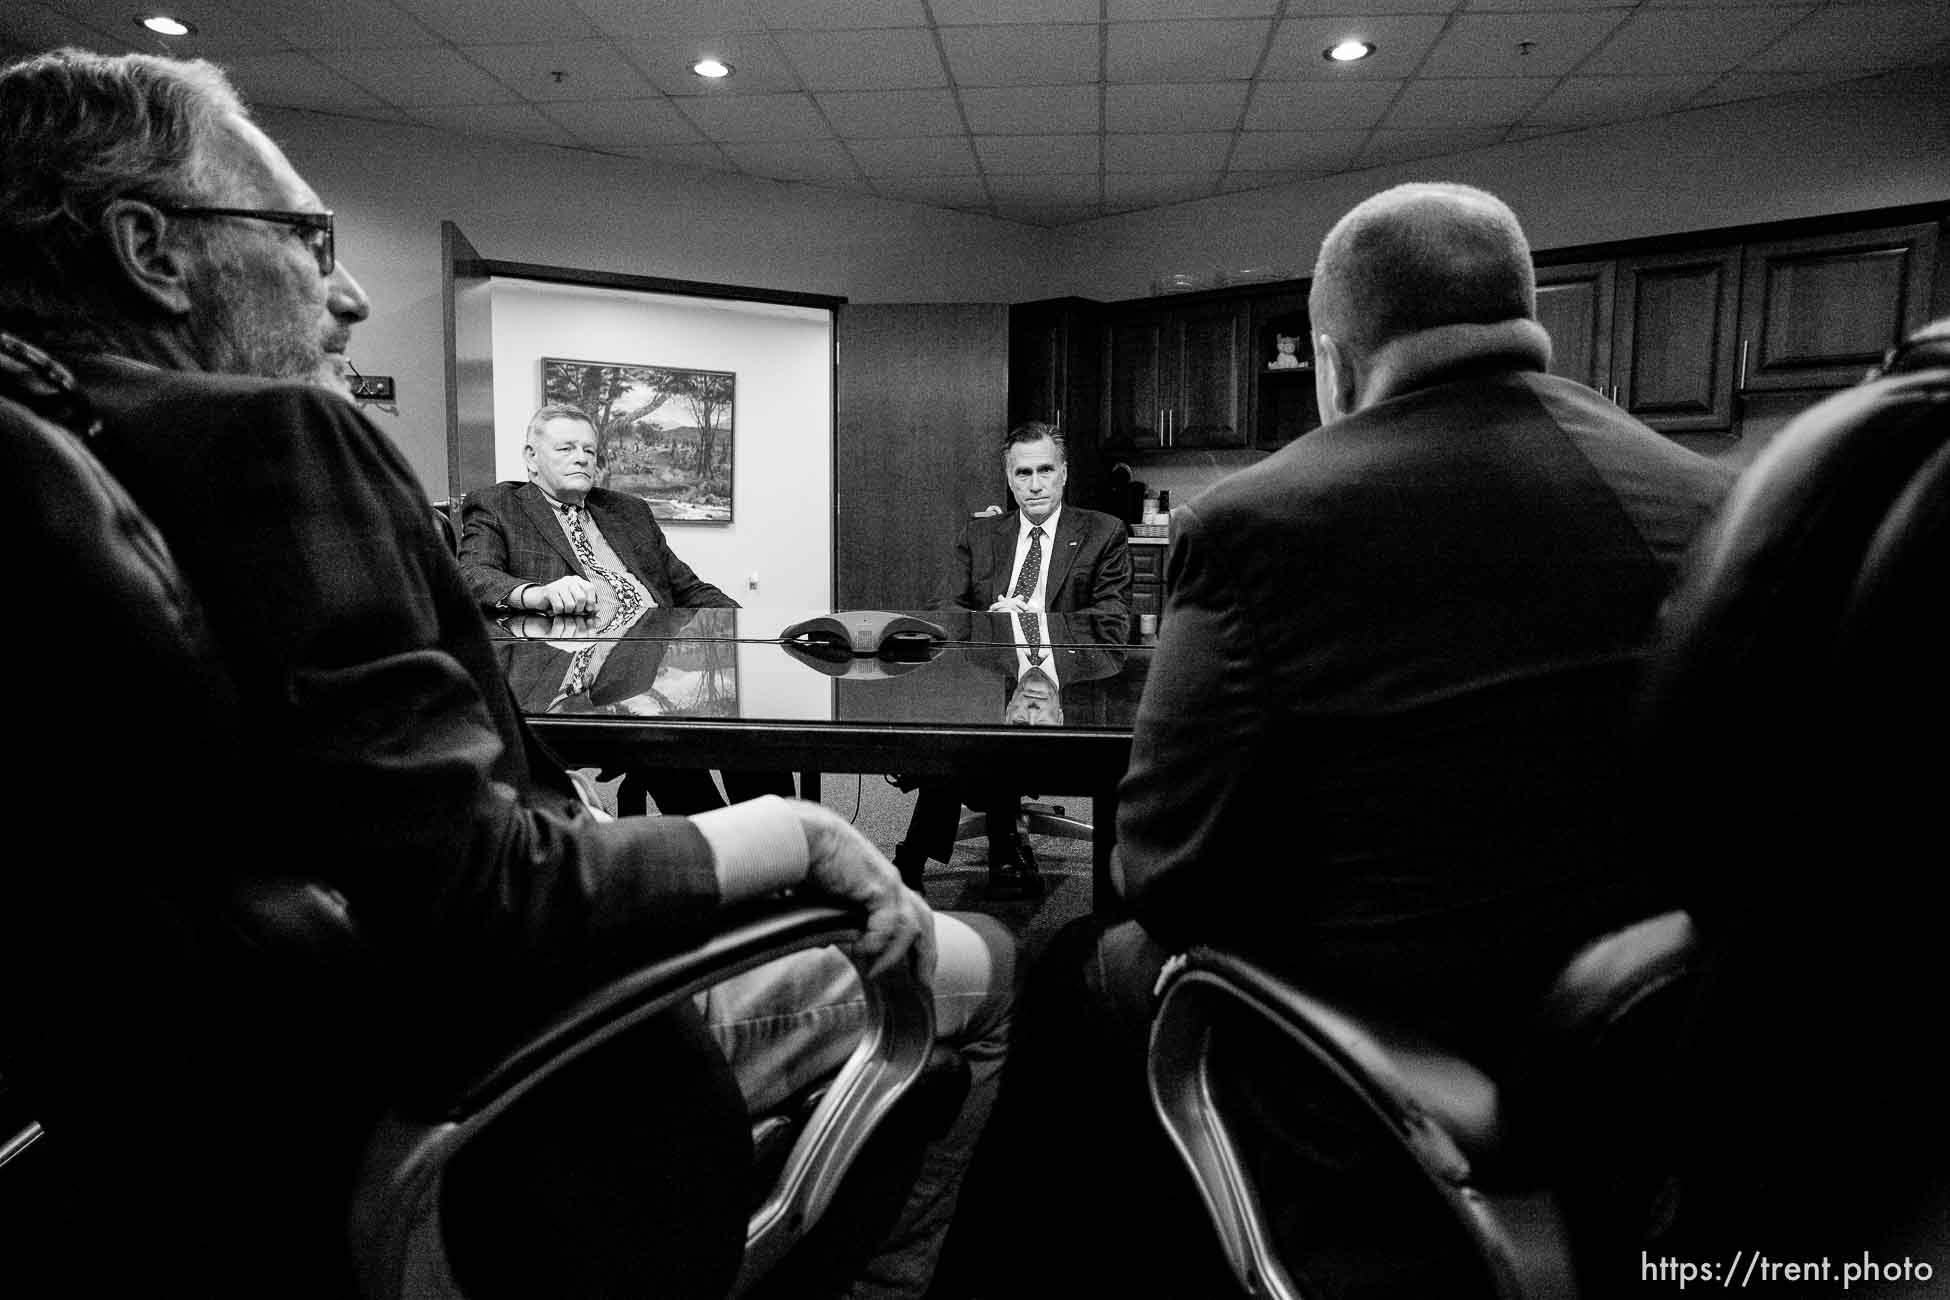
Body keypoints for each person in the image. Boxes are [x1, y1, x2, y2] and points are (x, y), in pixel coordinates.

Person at [0, 48, 1008, 1300]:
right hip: (515, 1058)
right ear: (152, 249)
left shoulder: (71, 468)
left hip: (224, 1117)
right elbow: (488, 892)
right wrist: (798, 829)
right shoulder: (270, 438)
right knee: (996, 968)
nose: (354, 291)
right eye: (309, 239)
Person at [942, 182, 1735, 1298]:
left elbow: (1166, 871)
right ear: (1527, 312)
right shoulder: (1712, 500)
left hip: (1365, 1058)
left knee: (1080, 960)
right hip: (1648, 1062)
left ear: (1330, 355)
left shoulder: (1263, 518)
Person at [458, 403, 795, 816]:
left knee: (751, 733)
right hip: (583, 675)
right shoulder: (498, 505)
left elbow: (688, 588)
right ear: (531, 457)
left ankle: (783, 838)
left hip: (661, 658)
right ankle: (720, 848)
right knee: (661, 742)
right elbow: (472, 576)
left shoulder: (628, 511)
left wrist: (752, 635)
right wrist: (536, 593)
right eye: (566, 448)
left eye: (589, 450)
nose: (582, 457)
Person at [894, 422, 1132, 899]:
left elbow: (1112, 619)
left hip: (1070, 681)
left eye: (1046, 470)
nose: (1036, 483)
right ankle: (934, 856)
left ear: (1064, 474)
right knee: (958, 732)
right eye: (1023, 473)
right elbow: (944, 608)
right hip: (991, 674)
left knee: (975, 741)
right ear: (1009, 477)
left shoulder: (1102, 532)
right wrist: (990, 621)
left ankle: (948, 848)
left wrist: (1038, 619)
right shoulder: (981, 534)